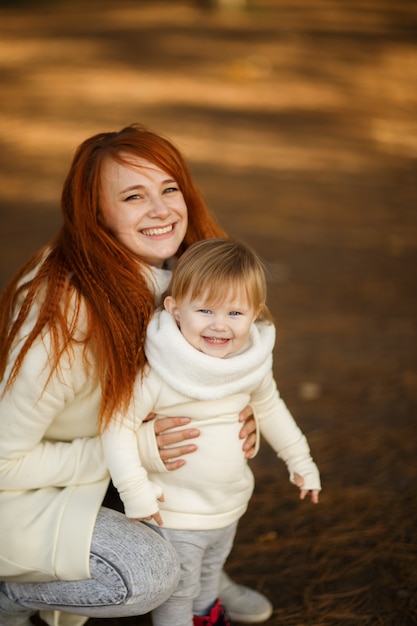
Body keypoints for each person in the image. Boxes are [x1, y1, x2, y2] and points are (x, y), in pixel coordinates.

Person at [0, 125, 272, 626]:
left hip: (114, 474)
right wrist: (134, 450)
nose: (162, 209)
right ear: (95, 213)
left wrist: (232, 406)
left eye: (169, 188)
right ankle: (9, 596)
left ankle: (202, 570)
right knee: (148, 575)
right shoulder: (63, 316)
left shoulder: (187, 271)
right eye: (133, 196)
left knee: (218, 470)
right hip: (33, 494)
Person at [102, 238, 322, 626]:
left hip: (228, 506)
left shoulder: (249, 364)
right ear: (174, 310)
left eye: (235, 312)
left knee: (207, 582)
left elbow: (270, 406)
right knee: (178, 594)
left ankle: (208, 616)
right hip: (175, 510)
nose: (220, 324)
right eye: (205, 309)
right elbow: (116, 425)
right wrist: (134, 489)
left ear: (255, 314)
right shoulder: (159, 370)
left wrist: (299, 458)